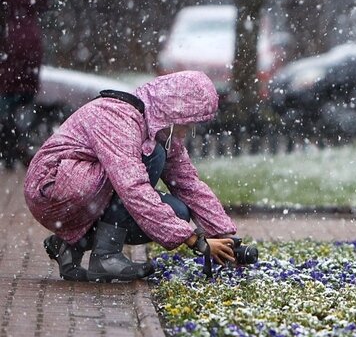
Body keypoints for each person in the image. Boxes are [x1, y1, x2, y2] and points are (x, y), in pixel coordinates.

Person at [24, 71, 238, 282]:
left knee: (178, 212)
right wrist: (194, 240)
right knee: (152, 156)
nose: (186, 132)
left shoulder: (157, 129)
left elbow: (188, 184)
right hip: (51, 187)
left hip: (82, 189)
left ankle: (70, 246)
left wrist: (225, 235)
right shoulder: (119, 117)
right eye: (187, 124)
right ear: (174, 112)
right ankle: (106, 256)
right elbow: (132, 187)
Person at [0, 0, 49, 169]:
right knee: (25, 95)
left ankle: (10, 145)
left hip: (9, 41)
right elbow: (43, 5)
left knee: (7, 94)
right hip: (31, 42)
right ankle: (20, 141)